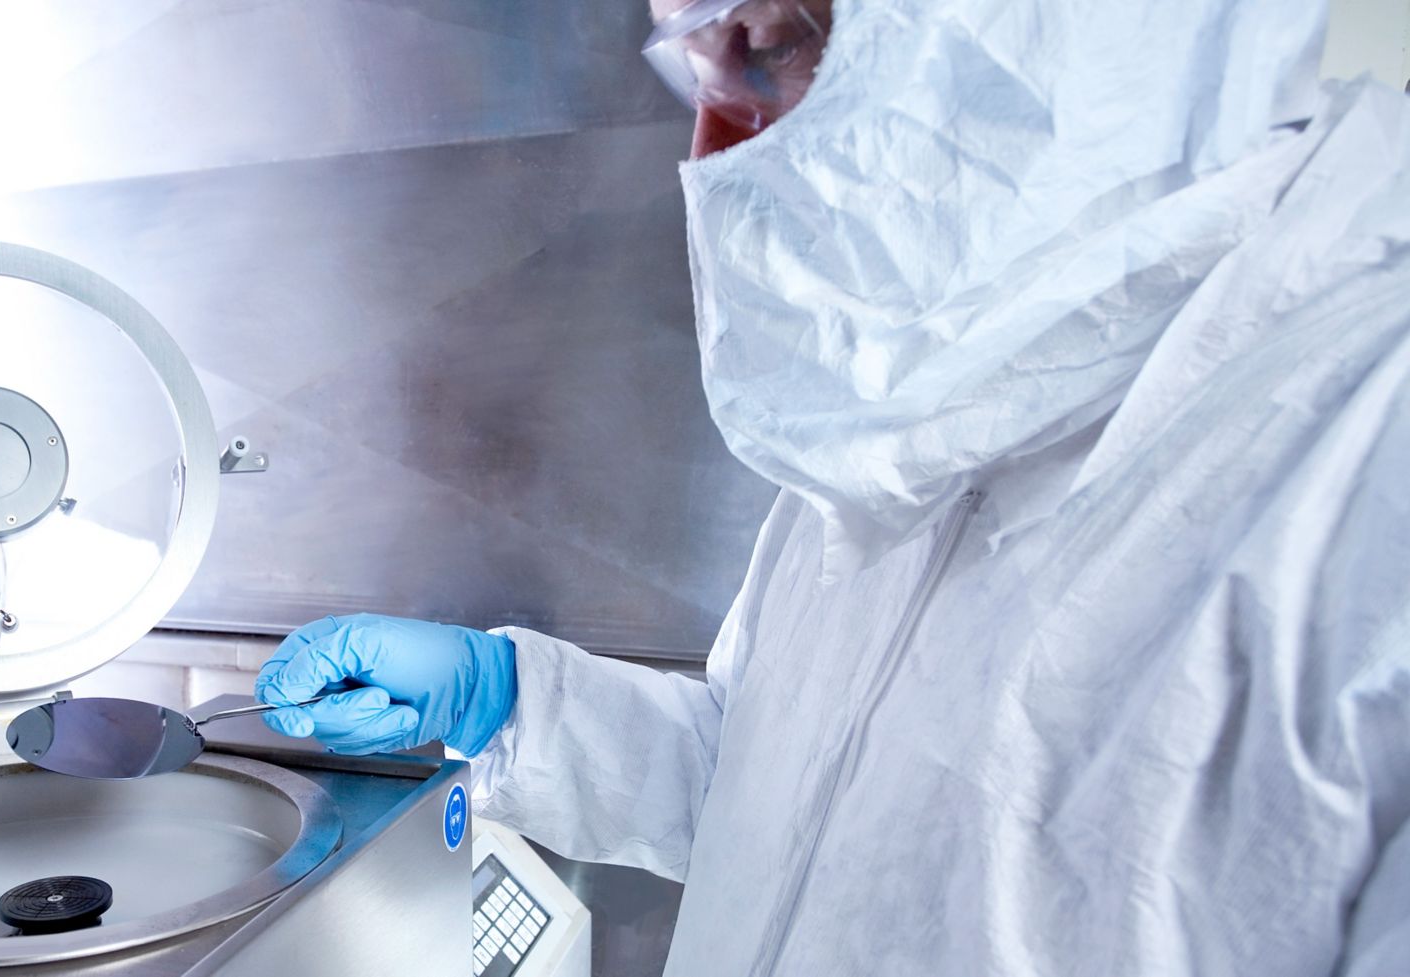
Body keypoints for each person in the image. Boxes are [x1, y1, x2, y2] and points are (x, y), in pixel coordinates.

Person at [254, 0, 1410, 971]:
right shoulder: (932, 371)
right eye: (700, 62)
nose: (717, 152)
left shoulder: (1363, 452)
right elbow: (783, 791)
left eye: (771, 40)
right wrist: (509, 704)